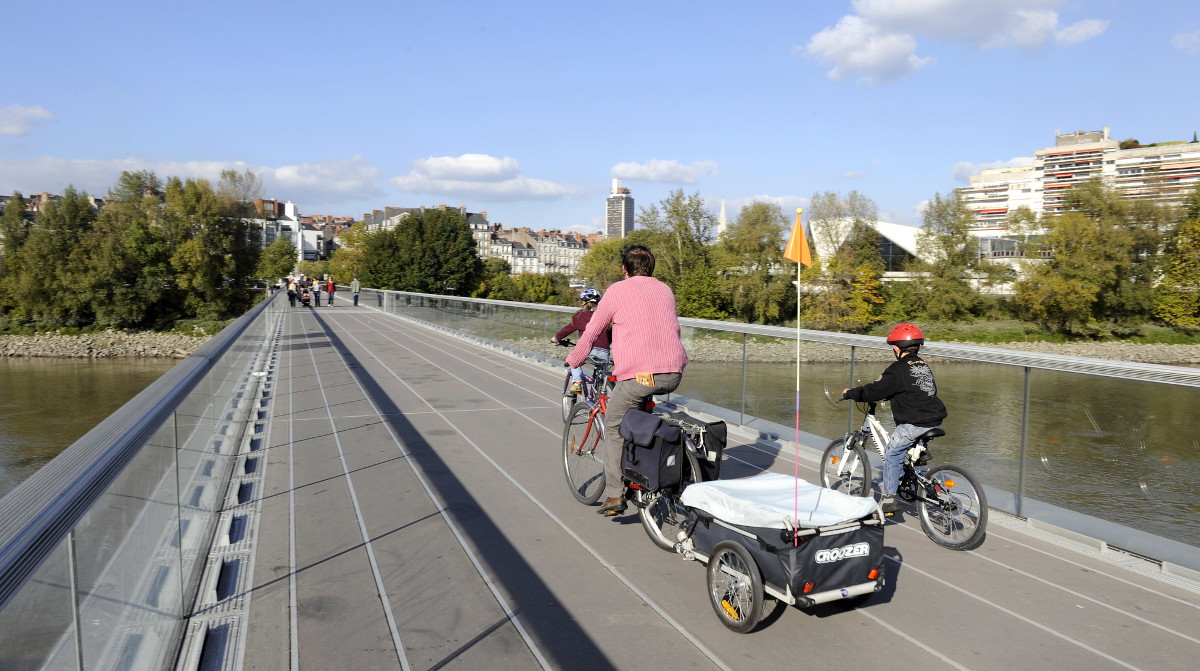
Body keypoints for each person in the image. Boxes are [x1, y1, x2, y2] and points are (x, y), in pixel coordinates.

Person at [566, 245, 688, 516]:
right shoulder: (665, 289)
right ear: (651, 268)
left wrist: (573, 360)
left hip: (641, 375)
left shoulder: (617, 291)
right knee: (636, 410)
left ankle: (614, 495)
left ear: (625, 269)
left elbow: (592, 331)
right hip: (674, 371)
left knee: (613, 426)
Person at [842, 323, 947, 514]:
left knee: (892, 453)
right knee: (908, 449)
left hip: (915, 422)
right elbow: (918, 390)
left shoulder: (897, 369)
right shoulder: (923, 365)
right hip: (934, 417)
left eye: (893, 347)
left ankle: (890, 498)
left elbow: (875, 390)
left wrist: (852, 393)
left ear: (897, 348)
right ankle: (918, 461)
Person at [551, 289, 611, 393]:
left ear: (584, 302)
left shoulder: (580, 316)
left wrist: (555, 339)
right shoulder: (605, 316)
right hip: (604, 351)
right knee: (600, 377)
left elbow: (566, 330)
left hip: (588, 350)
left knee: (573, 359)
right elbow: (610, 335)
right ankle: (600, 396)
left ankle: (577, 381)